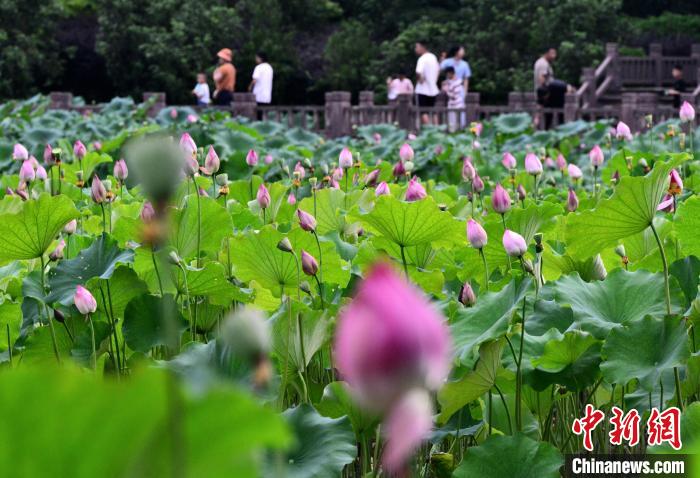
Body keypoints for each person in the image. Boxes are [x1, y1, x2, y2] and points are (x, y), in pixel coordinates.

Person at [414, 40, 440, 125]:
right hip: (433, 89)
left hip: (422, 89)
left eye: (417, 47)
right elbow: (438, 70)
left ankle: (428, 129)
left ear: (423, 47)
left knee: (423, 111)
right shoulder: (433, 57)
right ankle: (437, 128)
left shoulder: (422, 58)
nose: (416, 49)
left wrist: (420, 79)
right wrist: (434, 81)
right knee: (433, 111)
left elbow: (418, 72)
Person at [441, 66, 463, 131]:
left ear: (450, 73)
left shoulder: (458, 83)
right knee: (451, 124)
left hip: (457, 105)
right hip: (451, 105)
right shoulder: (448, 82)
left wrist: (446, 91)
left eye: (447, 74)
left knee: (458, 123)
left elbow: (454, 96)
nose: (447, 76)